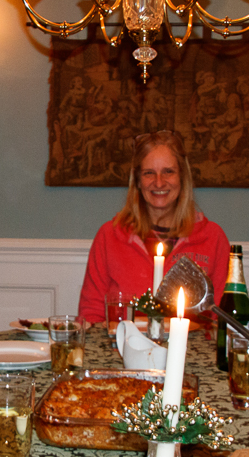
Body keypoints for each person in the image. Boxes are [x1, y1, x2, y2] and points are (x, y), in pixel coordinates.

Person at [78, 129, 230, 323]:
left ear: (182, 178)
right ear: (138, 181)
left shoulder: (212, 238)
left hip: (191, 351)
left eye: (168, 172)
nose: (159, 182)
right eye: (149, 173)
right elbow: (91, 314)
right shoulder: (110, 236)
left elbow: (222, 319)